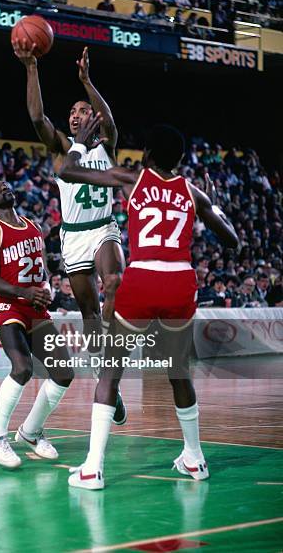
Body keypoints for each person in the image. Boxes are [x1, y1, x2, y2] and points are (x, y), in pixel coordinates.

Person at [59, 120, 238, 490]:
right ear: (182, 159)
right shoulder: (192, 192)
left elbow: (70, 171)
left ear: (148, 155)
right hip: (179, 282)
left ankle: (93, 469)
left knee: (111, 372)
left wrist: (77, 143)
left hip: (143, 278)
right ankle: (195, 458)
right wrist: (216, 207)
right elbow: (232, 240)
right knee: (179, 372)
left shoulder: (133, 179)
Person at [13, 42, 126, 424]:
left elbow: (109, 119)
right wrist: (31, 68)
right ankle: (105, 375)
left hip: (104, 228)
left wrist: (87, 81)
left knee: (113, 279)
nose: (75, 116)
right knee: (88, 308)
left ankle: (111, 359)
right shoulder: (64, 148)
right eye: (72, 112)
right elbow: (36, 117)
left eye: (81, 111)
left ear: (91, 116)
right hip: (74, 235)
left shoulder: (107, 144)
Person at [0, 179, 74, 469]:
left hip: (34, 304)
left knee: (64, 372)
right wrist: (23, 292)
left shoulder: (32, 225)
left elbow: (40, 267)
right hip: (8, 304)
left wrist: (45, 291)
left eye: (5, 183)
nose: (4, 186)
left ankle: (30, 431)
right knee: (22, 367)